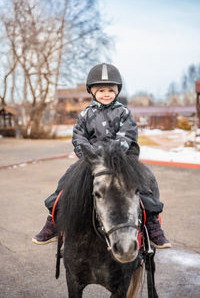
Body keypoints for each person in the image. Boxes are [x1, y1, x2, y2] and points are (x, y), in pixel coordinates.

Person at [32, 63, 171, 249]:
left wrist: (112, 152)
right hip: (92, 161)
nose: (106, 94)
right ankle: (54, 222)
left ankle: (152, 225)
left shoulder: (124, 112)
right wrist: (88, 154)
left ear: (117, 91)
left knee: (144, 183)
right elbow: (79, 136)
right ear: (92, 92)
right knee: (67, 180)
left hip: (121, 159)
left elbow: (127, 134)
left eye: (111, 90)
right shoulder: (85, 115)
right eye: (101, 90)